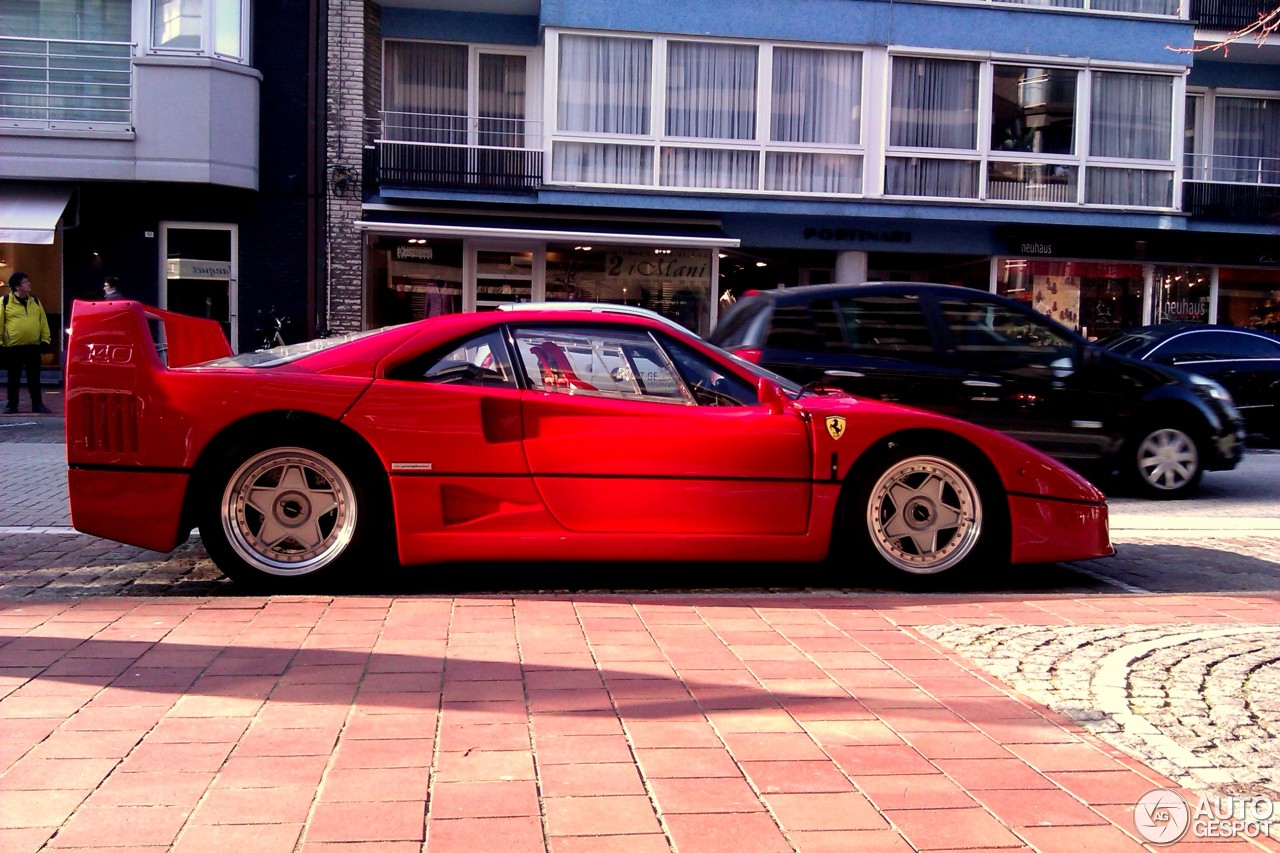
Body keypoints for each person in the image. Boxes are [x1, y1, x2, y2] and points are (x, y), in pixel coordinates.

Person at [2, 271, 53, 414]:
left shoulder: (35, 301)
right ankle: (12, 405)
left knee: (34, 378)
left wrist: (45, 340)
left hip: (33, 346)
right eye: (25, 282)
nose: (28, 284)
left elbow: (43, 321)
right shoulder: (5, 302)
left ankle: (37, 404)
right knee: (13, 378)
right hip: (13, 347)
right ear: (17, 286)